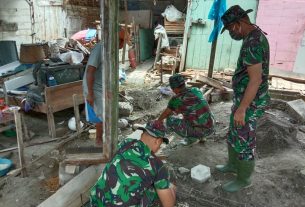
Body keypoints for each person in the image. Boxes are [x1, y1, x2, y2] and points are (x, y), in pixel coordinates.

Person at [216, 5, 270, 192]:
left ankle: (244, 178)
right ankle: (232, 165)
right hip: (243, 99)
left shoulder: (253, 43)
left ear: (239, 24)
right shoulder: (253, 36)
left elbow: (255, 80)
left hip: (251, 102)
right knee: (234, 132)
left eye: (231, 28)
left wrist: (243, 108)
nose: (231, 33)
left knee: (245, 140)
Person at [90, 120, 176, 207]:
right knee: (155, 190)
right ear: (158, 141)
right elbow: (168, 204)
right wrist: (172, 188)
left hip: (96, 201)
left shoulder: (125, 143)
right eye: (161, 144)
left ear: (142, 134)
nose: (159, 147)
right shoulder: (157, 165)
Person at [158, 74, 215, 146]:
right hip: (211, 127)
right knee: (199, 112)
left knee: (169, 120)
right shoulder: (195, 90)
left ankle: (192, 138)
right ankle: (202, 137)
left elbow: (166, 114)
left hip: (200, 131)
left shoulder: (176, 99)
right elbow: (193, 106)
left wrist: (158, 121)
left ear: (174, 88)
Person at [83, 43, 103, 145]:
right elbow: (90, 71)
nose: (121, 44)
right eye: (121, 41)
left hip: (102, 87)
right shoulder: (100, 48)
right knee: (101, 116)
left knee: (104, 114)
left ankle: (103, 139)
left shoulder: (110, 49)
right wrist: (90, 93)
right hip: (94, 87)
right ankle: (99, 141)